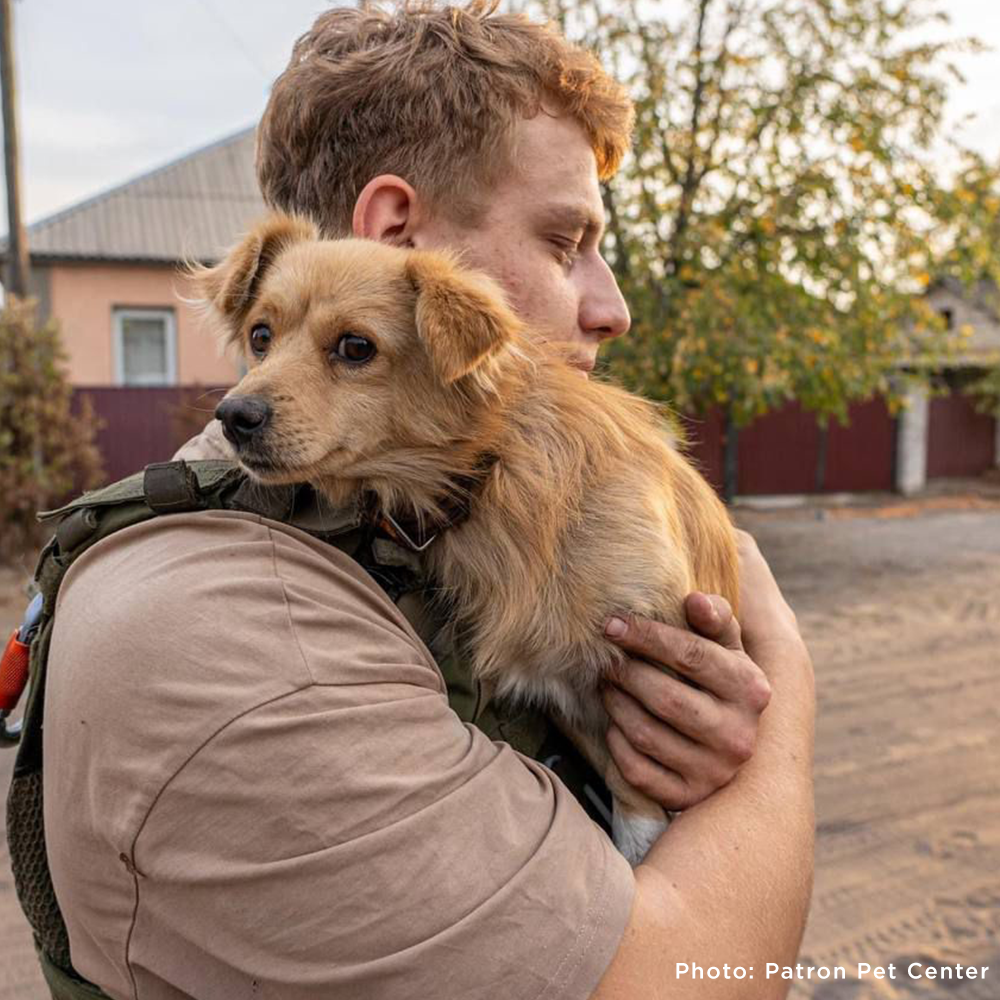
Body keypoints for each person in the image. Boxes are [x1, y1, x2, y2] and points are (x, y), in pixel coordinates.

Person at [41, 3, 815, 998]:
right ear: (395, 232)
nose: (610, 306)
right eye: (564, 240)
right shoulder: (249, 638)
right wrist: (785, 695)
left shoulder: (405, 518)